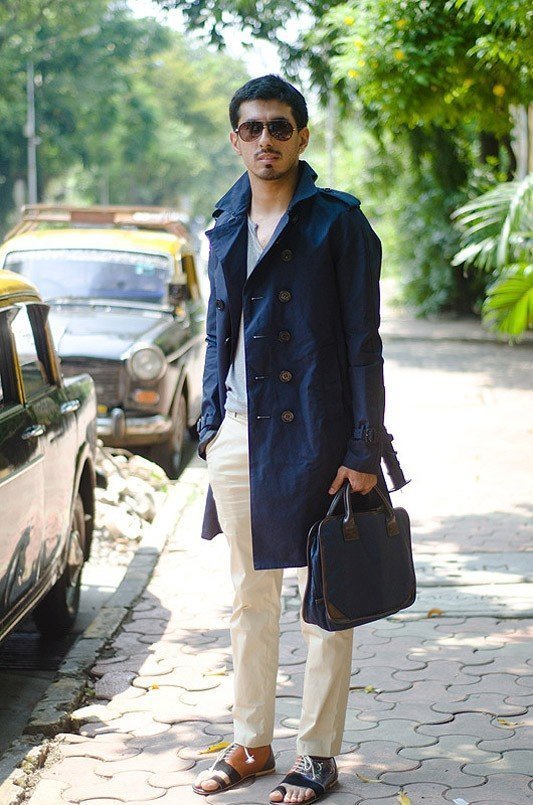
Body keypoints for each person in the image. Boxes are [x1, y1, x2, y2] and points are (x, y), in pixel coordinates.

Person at [193, 74, 388, 805]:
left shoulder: (338, 223)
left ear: (302, 137)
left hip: (317, 439)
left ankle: (317, 752)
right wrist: (208, 424)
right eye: (252, 127)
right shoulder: (222, 223)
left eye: (280, 126)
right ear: (234, 139)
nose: (265, 139)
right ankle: (251, 742)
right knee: (249, 598)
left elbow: (363, 344)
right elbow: (216, 331)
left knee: (324, 602)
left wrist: (363, 448)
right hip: (237, 438)